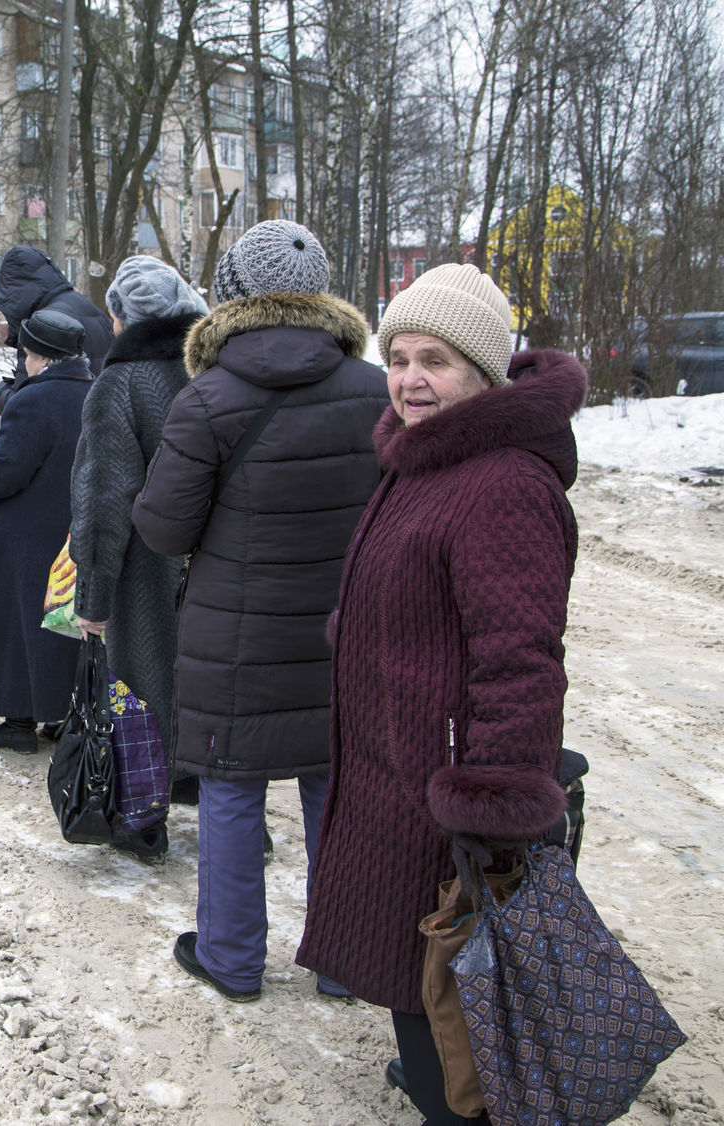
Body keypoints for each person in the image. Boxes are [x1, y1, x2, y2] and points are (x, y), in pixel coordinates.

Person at [296, 264, 584, 1125]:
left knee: (452, 998)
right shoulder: (424, 459)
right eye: (399, 357)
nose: (410, 380)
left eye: (438, 361)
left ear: (485, 371)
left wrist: (491, 810)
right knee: (414, 987)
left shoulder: (503, 485)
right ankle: (438, 1083)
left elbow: (522, 662)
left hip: (445, 801)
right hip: (393, 775)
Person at [131, 220, 388, 1000]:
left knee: (232, 786)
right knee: (335, 787)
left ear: (234, 295)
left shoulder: (208, 397)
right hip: (348, 631)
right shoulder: (377, 392)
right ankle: (345, 963)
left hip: (234, 636)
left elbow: (166, 527)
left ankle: (233, 958)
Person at [68, 255, 208, 846]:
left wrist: (92, 597)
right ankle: (234, 817)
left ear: (120, 320)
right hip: (216, 571)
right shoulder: (215, 376)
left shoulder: (118, 385)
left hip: (146, 576)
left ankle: (142, 821)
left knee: (138, 688)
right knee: (209, 688)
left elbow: (105, 500)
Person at [0, 309, 93, 753]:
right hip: (72, 531)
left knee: (16, 626)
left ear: (35, 355)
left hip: (23, 534)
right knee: (62, 627)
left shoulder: (35, 399)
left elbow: (4, 469)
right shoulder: (92, 391)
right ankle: (61, 714)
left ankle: (18, 722)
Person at [0, 246, 114, 409]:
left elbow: (25, 406)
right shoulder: (90, 308)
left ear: (11, 294)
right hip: (101, 421)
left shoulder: (39, 327)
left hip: (65, 428)